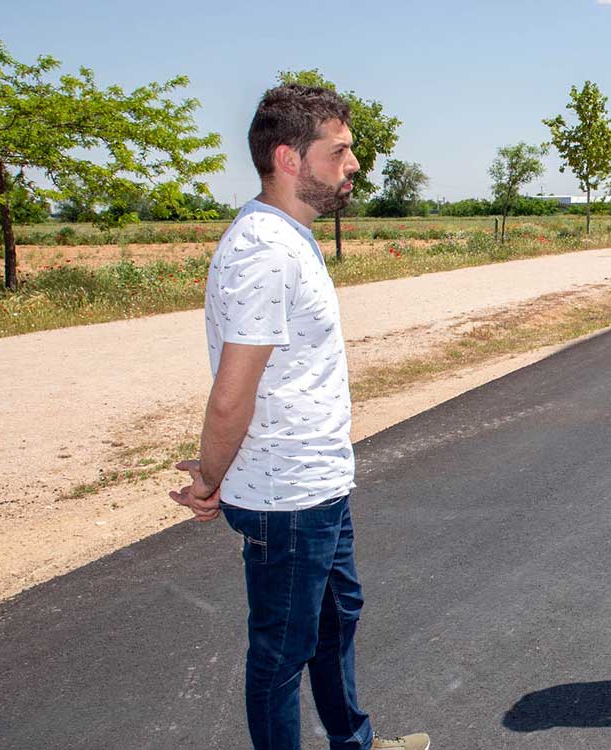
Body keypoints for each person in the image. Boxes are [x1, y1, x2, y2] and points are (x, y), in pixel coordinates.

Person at [169, 83, 429, 750]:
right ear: (290, 158)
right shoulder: (264, 248)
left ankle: (355, 743)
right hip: (285, 498)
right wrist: (208, 479)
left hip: (317, 483)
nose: (353, 164)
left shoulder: (292, 236)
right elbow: (234, 391)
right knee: (281, 656)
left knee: (336, 622)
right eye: (339, 150)